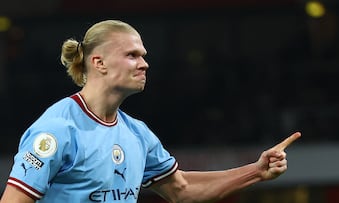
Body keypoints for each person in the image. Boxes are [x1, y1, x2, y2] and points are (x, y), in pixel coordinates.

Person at [0, 19, 301, 203]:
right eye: (132, 55)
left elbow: (181, 191)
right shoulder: (57, 129)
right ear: (99, 63)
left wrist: (256, 171)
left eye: (143, 56)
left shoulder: (137, 134)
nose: (144, 64)